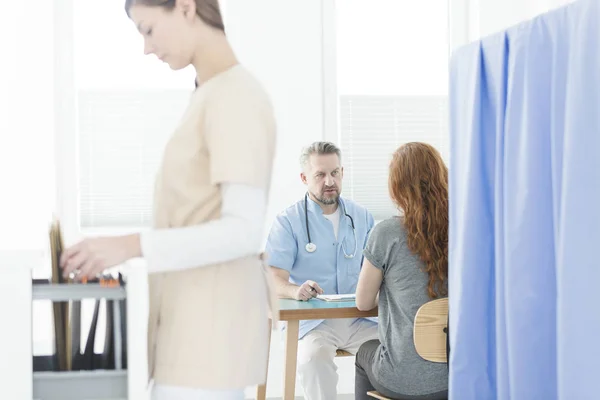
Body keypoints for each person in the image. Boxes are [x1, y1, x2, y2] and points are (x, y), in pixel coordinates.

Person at [59, 1, 277, 399]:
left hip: (209, 345)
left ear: (186, 8)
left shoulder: (236, 97)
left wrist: (129, 245)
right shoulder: (209, 96)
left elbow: (244, 232)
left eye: (148, 29)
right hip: (190, 339)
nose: (145, 47)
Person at [265, 141, 378, 400]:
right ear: (305, 178)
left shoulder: (362, 217)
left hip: (362, 318)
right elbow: (273, 277)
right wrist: (295, 290)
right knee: (312, 359)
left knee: (395, 352)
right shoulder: (288, 222)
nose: (330, 181)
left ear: (342, 173)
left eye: (335, 173)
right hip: (314, 324)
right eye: (320, 174)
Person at [354, 142, 449, 400]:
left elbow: (363, 303)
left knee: (365, 352)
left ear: (397, 188)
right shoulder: (462, 230)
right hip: (457, 379)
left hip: (404, 381)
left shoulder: (387, 233)